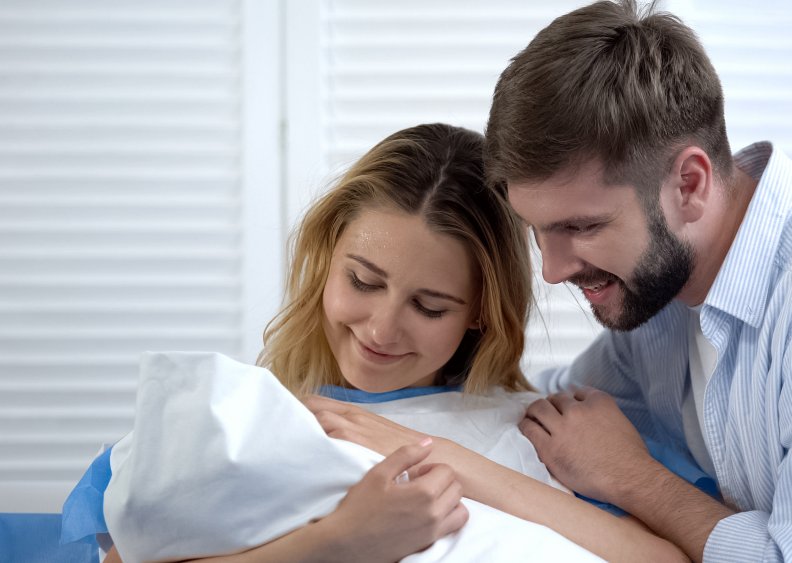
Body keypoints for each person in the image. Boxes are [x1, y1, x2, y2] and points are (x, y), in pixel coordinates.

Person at [470, 1, 792, 561]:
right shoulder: (660, 297)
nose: (552, 271)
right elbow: (552, 411)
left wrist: (633, 477)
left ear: (690, 185)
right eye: (539, 231)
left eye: (582, 226)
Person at [69, 123, 688, 562]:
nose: (382, 329)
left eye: (430, 306)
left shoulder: (547, 437)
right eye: (363, 281)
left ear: (479, 312)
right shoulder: (241, 420)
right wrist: (341, 543)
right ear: (326, 256)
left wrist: (450, 460)